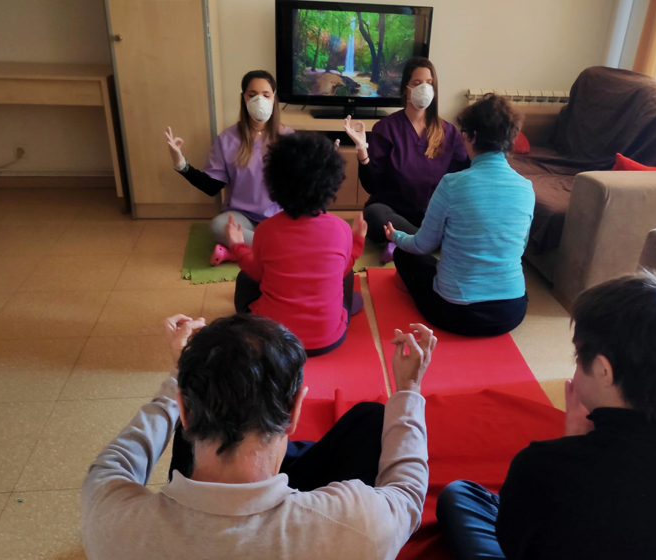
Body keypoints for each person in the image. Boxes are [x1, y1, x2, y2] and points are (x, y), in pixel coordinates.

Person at [436, 272, 656, 560]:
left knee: (459, 496)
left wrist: (570, 444)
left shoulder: (544, 466)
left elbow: (517, 556)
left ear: (604, 370)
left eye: (578, 357)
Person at [81, 313, 436, 560]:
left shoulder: (107, 515)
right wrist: (409, 389)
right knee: (372, 422)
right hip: (328, 539)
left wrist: (181, 377)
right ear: (296, 410)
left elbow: (120, 458)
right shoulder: (355, 526)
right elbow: (407, 493)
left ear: (183, 411)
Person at [385, 94, 534, 337]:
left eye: (464, 133)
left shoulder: (453, 184)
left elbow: (423, 245)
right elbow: (519, 247)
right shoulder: (527, 188)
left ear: (472, 136)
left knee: (405, 254)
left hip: (457, 313)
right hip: (512, 312)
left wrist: (397, 237)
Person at [222, 132, 366, 356]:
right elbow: (344, 266)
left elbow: (257, 273)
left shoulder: (266, 230)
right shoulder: (341, 229)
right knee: (345, 273)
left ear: (274, 183)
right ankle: (341, 309)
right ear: (331, 184)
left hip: (275, 341)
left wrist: (238, 246)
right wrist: (358, 241)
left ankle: (252, 321)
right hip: (329, 339)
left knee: (245, 278)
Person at [343, 57, 470, 263]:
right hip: (392, 213)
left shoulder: (448, 132)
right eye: (418, 83)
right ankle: (419, 243)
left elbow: (464, 178)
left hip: (432, 216)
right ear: (405, 89)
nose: (424, 88)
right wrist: (362, 151)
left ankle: (405, 242)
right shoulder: (386, 128)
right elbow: (371, 186)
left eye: (429, 83)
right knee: (373, 214)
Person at [165, 70, 291, 264]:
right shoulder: (227, 139)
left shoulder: (289, 138)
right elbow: (211, 187)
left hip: (279, 216)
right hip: (243, 216)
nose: (260, 100)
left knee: (316, 225)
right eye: (252, 94)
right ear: (243, 98)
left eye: (266, 95)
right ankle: (280, 250)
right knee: (217, 226)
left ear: (274, 99)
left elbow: (301, 185)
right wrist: (181, 164)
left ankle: (237, 251)